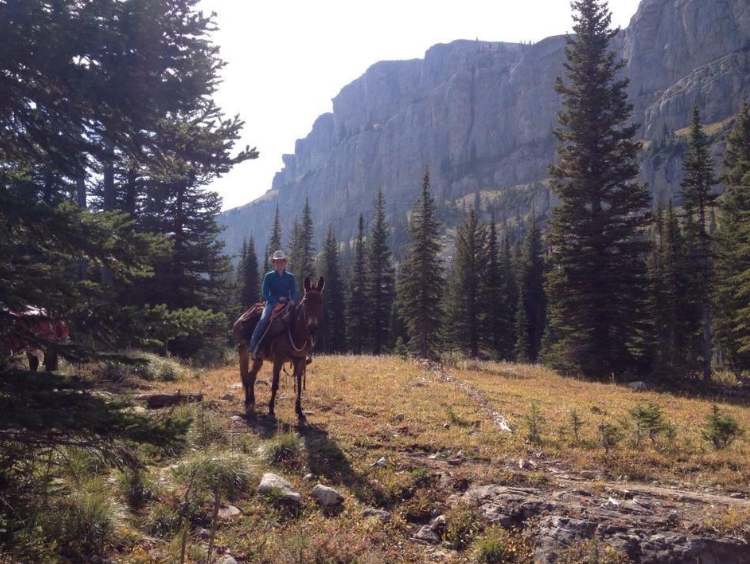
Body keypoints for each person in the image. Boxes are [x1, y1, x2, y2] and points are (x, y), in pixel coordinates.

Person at [248, 250, 298, 359]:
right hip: (271, 303)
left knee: (298, 320)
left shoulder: (290, 277)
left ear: (285, 262)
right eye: (276, 261)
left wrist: (293, 299)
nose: (279, 263)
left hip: (287, 303)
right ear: (274, 263)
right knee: (264, 320)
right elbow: (265, 294)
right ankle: (253, 348)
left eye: (281, 261)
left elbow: (294, 292)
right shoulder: (269, 276)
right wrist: (275, 303)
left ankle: (302, 351)